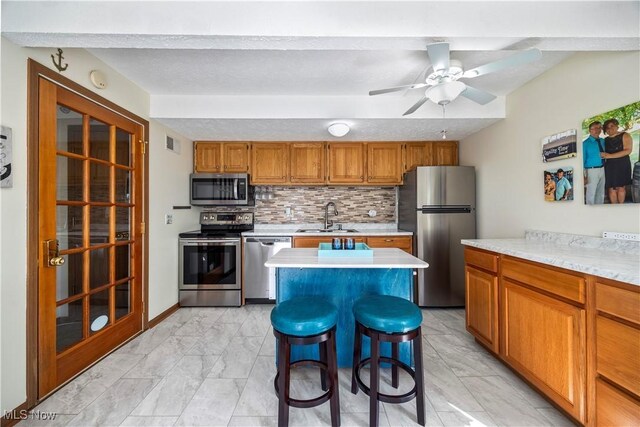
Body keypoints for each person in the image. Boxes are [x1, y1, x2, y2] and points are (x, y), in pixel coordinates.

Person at [601, 118, 633, 203]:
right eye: (607, 127)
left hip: (622, 164)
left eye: (612, 126)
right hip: (610, 166)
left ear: (617, 126)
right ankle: (614, 209)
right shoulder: (605, 140)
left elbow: (628, 150)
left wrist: (610, 156)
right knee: (611, 189)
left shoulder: (625, 135)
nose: (610, 128)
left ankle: (621, 208)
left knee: (621, 188)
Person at [583, 121, 606, 204]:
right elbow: (582, 161)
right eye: (595, 128)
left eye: (599, 127)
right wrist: (583, 176)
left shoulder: (603, 141)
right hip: (591, 171)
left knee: (601, 193)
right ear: (590, 130)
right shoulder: (585, 144)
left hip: (603, 169)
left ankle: (599, 212)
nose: (598, 130)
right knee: (591, 193)